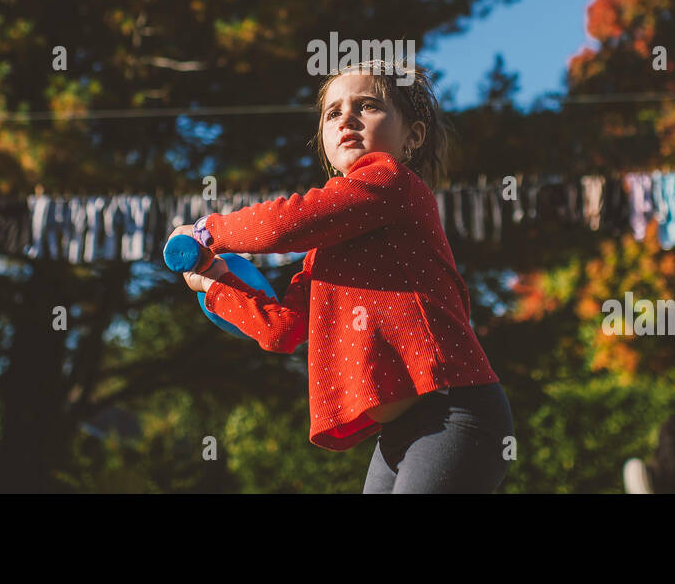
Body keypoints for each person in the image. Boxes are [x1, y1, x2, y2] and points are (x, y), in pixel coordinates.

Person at [170, 58, 513, 493]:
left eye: (367, 105)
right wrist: (215, 282)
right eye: (333, 112)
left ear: (413, 136)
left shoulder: (392, 184)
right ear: (325, 143)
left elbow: (283, 225)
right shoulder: (326, 249)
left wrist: (207, 232)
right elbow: (284, 330)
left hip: (456, 412)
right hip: (400, 434)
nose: (346, 118)